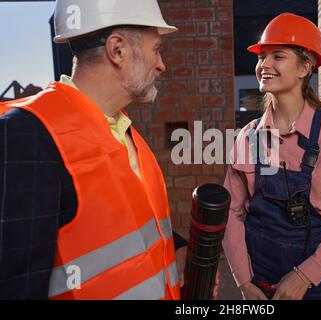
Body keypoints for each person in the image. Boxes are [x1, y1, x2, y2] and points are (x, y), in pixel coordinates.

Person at [0, 0, 218, 300]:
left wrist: (176, 248)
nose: (162, 64)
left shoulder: (122, 129)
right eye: (156, 49)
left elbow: (122, 226)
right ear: (118, 50)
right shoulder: (27, 135)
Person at [222, 13, 321, 300]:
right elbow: (231, 213)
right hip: (259, 277)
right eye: (262, 57)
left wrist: (306, 275)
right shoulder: (247, 137)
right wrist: (243, 281)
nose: (264, 65)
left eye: (277, 56)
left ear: (305, 67)